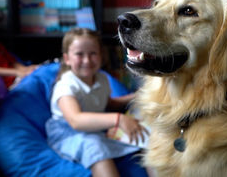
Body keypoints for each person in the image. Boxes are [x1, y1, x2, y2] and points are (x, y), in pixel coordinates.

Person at [45, 28, 149, 177]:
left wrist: (135, 97)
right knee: (94, 146)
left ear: (101, 56)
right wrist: (118, 119)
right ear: (67, 58)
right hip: (69, 134)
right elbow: (76, 120)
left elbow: (107, 104)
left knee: (144, 135)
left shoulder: (102, 79)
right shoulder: (66, 85)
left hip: (97, 130)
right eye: (79, 54)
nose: (87, 60)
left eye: (93, 53)